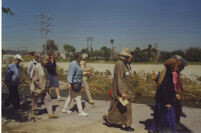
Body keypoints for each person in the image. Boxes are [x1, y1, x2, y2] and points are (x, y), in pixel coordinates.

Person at [103, 48, 134, 132]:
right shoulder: (120, 64)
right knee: (127, 108)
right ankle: (126, 125)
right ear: (126, 56)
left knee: (117, 107)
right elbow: (120, 79)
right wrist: (122, 92)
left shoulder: (124, 64)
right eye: (130, 57)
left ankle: (110, 120)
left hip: (123, 90)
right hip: (121, 91)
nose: (131, 58)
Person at [149, 58, 180, 133]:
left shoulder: (166, 71)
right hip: (164, 100)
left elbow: (169, 87)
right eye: (177, 66)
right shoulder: (168, 73)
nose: (177, 67)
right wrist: (167, 102)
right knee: (168, 118)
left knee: (158, 115)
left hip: (161, 99)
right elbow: (164, 88)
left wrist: (175, 94)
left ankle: (152, 129)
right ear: (173, 65)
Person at [29, 55, 59, 120]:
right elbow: (35, 80)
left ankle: (50, 113)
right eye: (46, 60)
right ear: (42, 60)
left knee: (48, 99)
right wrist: (41, 87)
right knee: (35, 100)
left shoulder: (44, 67)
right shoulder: (37, 67)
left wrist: (47, 85)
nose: (47, 62)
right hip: (36, 88)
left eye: (48, 61)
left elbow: (46, 76)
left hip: (45, 87)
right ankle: (32, 113)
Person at [171, 55, 188, 124]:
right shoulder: (174, 73)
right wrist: (176, 93)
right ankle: (175, 122)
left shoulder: (177, 72)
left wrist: (181, 87)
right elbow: (173, 83)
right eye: (182, 67)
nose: (183, 68)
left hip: (175, 91)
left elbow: (179, 81)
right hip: (173, 92)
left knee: (177, 106)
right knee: (176, 107)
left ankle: (176, 120)